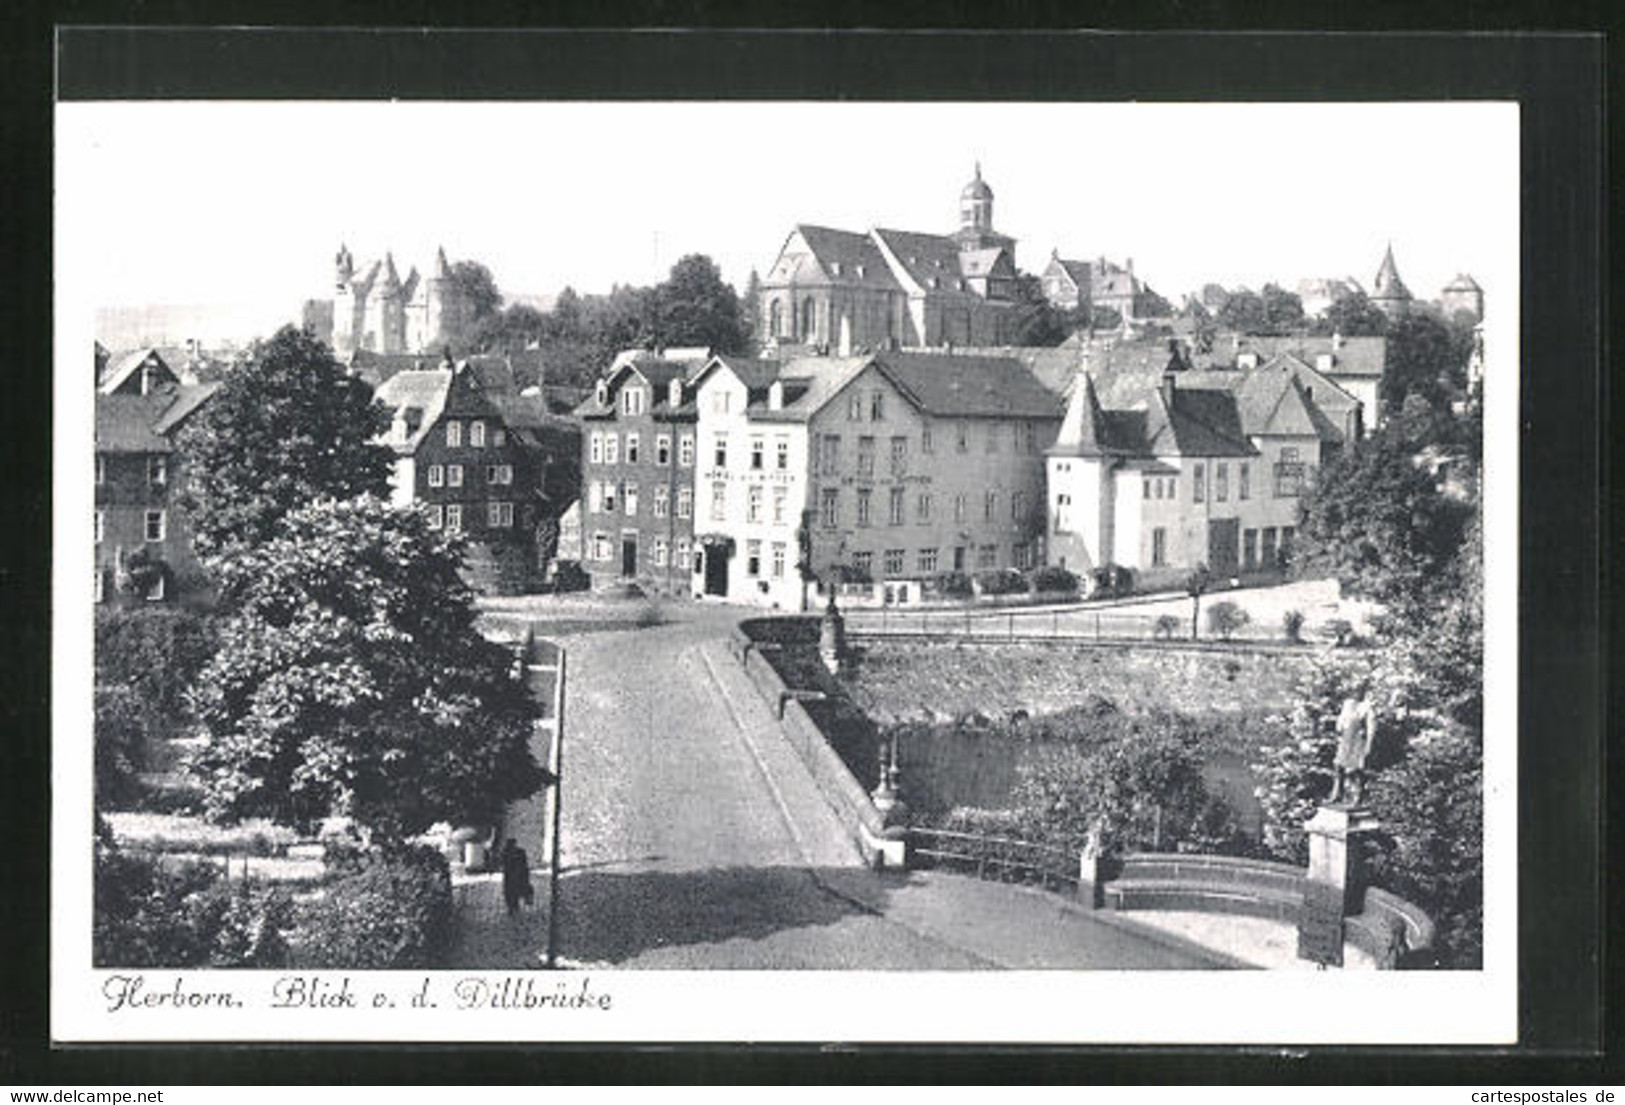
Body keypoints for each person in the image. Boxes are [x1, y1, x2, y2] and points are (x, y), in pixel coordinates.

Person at [1329, 683, 1377, 806]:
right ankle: (1337, 793)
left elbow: (1371, 728)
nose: (1355, 694)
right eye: (1354, 691)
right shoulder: (1348, 704)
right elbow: (1340, 722)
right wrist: (1340, 727)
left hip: (1358, 740)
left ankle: (1358, 795)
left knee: (1357, 769)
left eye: (1358, 691)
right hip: (1346, 739)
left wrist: (1368, 745)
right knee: (1338, 766)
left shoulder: (1367, 707)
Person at [500, 838, 532, 916]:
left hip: (513, 875)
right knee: (513, 892)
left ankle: (513, 907)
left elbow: (503, 863)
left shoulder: (506, 852)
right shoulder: (519, 852)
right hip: (516, 875)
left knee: (511, 892)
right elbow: (524, 865)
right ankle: (514, 907)